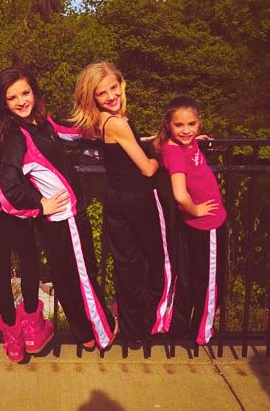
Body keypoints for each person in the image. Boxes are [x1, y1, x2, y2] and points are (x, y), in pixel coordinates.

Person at [0, 66, 118, 352]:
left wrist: (108, 127)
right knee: (83, 275)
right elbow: (7, 189)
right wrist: (39, 205)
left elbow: (72, 133)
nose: (22, 101)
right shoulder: (17, 137)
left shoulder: (41, 122)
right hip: (63, 217)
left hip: (59, 220)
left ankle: (84, 334)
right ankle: (103, 331)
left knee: (66, 276)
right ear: (4, 103)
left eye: (25, 92)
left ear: (34, 92)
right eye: (13, 98)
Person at [71, 61, 173, 343]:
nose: (111, 96)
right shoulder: (117, 122)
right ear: (93, 97)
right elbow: (147, 169)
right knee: (160, 260)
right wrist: (168, 154)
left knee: (127, 263)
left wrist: (162, 137)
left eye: (113, 88)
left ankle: (131, 329)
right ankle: (152, 321)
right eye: (102, 93)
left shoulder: (101, 121)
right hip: (139, 198)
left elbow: (131, 143)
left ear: (121, 83)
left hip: (115, 198)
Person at [153, 96, 226, 345]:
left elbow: (183, 142)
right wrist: (195, 210)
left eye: (192, 124)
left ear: (199, 123)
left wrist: (196, 141)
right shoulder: (175, 154)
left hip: (203, 225)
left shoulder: (184, 144)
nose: (186, 130)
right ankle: (203, 332)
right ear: (168, 125)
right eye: (180, 126)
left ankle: (185, 326)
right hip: (208, 224)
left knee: (194, 275)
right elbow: (180, 195)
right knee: (210, 278)